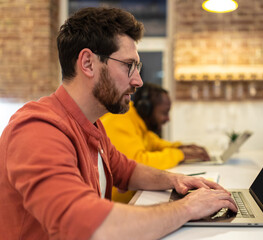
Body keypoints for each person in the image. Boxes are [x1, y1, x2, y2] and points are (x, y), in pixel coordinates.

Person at [0, 7, 237, 240]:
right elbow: (88, 226)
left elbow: (126, 170)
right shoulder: (37, 131)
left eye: (138, 67)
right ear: (88, 63)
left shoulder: (92, 125)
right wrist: (188, 208)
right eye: (128, 65)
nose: (139, 81)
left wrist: (175, 180)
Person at [101, 82, 211, 202]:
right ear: (146, 109)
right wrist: (181, 154)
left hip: (130, 201)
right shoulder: (120, 120)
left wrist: (182, 147)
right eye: (164, 113)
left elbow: (155, 143)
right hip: (116, 208)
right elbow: (139, 163)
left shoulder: (137, 123)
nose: (167, 118)